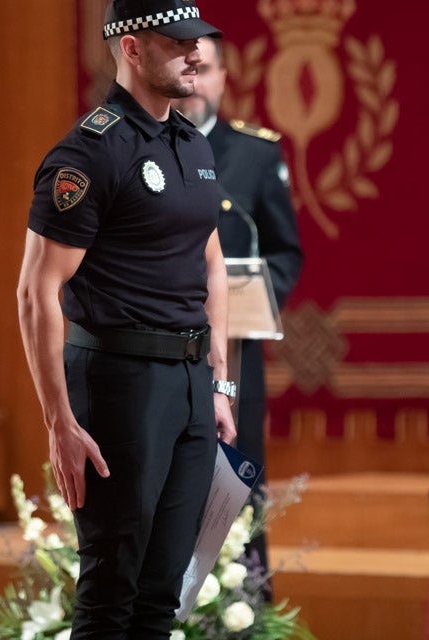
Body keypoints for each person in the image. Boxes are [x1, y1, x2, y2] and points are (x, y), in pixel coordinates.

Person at [16, 0, 236, 637]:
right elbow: (35, 292)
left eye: (198, 41)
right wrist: (59, 421)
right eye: (178, 42)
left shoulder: (193, 143)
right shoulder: (88, 153)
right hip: (119, 385)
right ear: (133, 49)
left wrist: (219, 383)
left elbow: (212, 262)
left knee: (161, 597)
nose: (196, 54)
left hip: (190, 386)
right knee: (111, 592)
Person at [176, 36, 303, 583]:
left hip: (234, 355)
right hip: (157, 347)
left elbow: (284, 252)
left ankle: (243, 606)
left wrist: (249, 299)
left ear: (224, 78)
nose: (195, 81)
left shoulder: (255, 154)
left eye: (205, 69)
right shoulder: (142, 148)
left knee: (237, 477)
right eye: (187, 69)